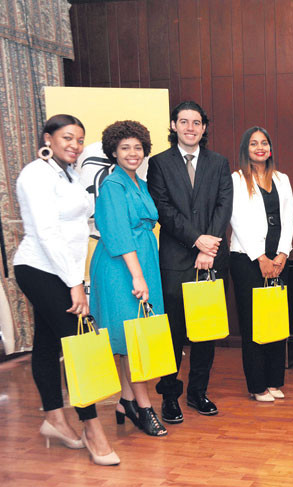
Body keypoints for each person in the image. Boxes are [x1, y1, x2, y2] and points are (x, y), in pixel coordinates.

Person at [14, 114, 119, 465]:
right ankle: (92, 429)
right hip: (40, 268)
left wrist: (77, 278)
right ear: (48, 138)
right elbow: (46, 233)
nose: (74, 145)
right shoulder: (35, 174)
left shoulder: (69, 173)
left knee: (47, 342)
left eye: (79, 140)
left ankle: (55, 419)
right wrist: (75, 284)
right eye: (67, 138)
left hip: (64, 270)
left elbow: (76, 230)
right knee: (80, 345)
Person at [147, 101, 232, 423]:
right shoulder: (158, 164)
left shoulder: (219, 163)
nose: (190, 128)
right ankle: (170, 396)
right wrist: (196, 240)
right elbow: (163, 209)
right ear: (173, 126)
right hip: (174, 260)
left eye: (196, 122)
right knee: (173, 334)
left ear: (204, 127)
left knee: (205, 333)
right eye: (184, 122)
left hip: (211, 259)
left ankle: (198, 393)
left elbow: (224, 206)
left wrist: (207, 248)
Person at [90, 120, 167, 438]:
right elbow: (120, 234)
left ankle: (126, 401)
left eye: (137, 147)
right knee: (134, 339)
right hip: (121, 268)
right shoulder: (113, 186)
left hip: (143, 262)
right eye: (125, 148)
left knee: (130, 337)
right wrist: (137, 276)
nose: (132, 153)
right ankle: (145, 407)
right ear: (113, 152)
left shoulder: (140, 183)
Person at [229, 127, 293, 402]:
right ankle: (257, 385)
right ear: (246, 149)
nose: (259, 147)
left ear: (270, 148)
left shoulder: (281, 178)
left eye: (264, 142)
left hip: (278, 259)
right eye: (253, 143)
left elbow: (289, 217)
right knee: (254, 323)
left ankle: (274, 380)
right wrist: (261, 257)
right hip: (247, 259)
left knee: (276, 320)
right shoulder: (235, 179)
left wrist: (282, 253)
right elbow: (236, 219)